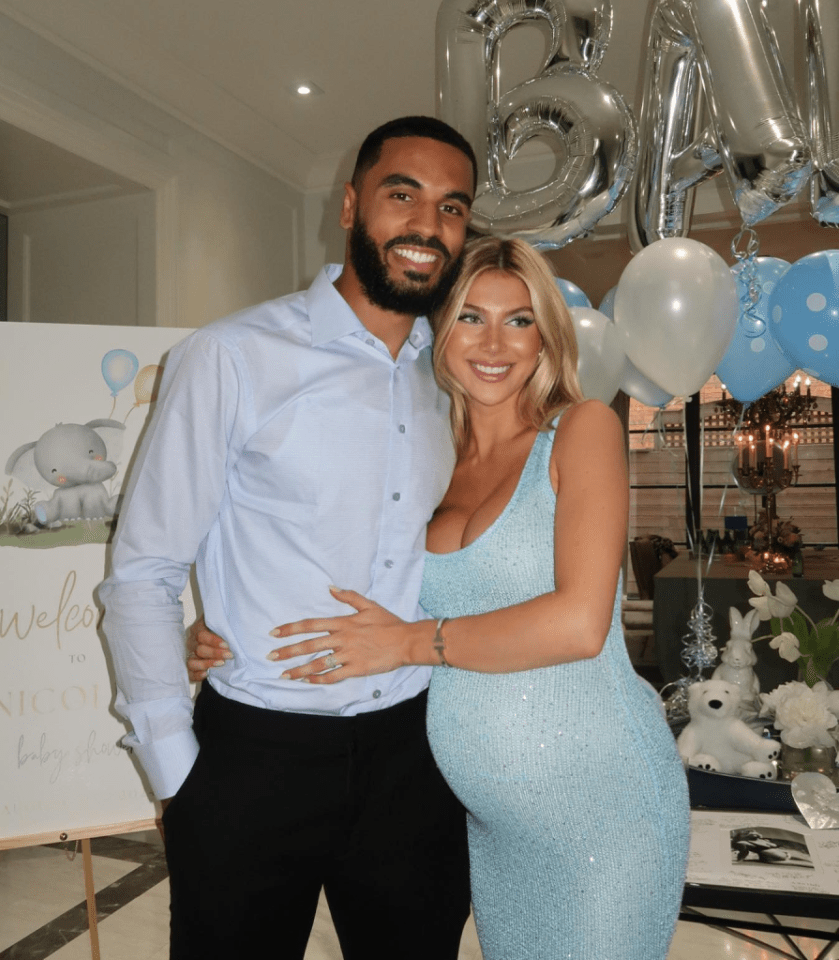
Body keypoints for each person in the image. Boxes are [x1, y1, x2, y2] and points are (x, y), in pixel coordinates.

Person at [193, 236, 691, 960]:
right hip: (488, 827)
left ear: (547, 336)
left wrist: (407, 643)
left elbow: (580, 623)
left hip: (603, 812)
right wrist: (220, 629)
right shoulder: (429, 453)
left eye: (519, 321)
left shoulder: (582, 431)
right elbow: (327, 558)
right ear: (437, 331)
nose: (495, 343)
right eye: (470, 318)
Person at [99, 116, 477, 960]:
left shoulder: (451, 378)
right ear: (350, 205)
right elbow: (144, 571)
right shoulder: (234, 356)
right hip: (255, 757)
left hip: (414, 757)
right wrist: (178, 773)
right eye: (402, 194)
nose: (427, 225)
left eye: (452, 208)